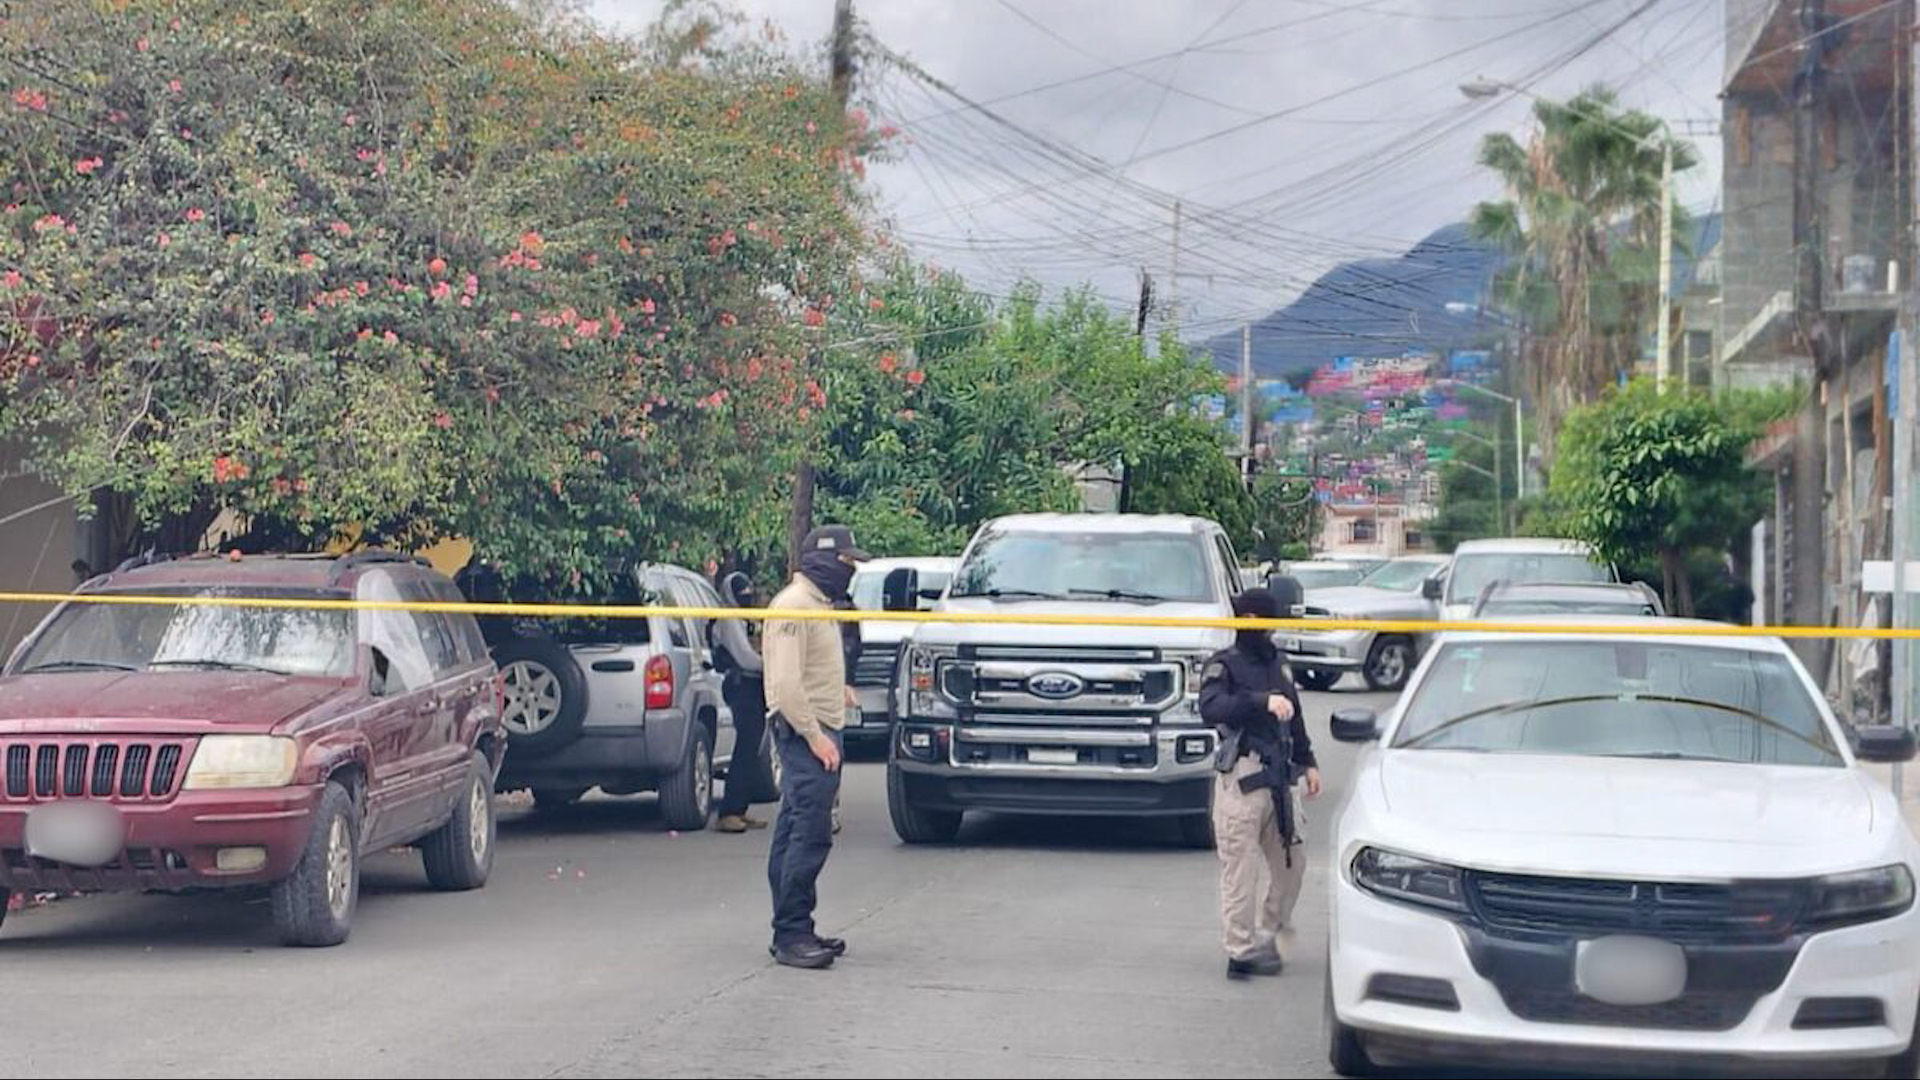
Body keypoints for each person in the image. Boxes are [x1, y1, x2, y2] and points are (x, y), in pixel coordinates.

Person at [1199, 587, 1322, 979]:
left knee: (1293, 865)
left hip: (1280, 779)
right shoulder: (1224, 664)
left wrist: (1308, 761)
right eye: (1270, 620)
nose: (1275, 628)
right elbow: (1211, 707)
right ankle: (1241, 951)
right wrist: (1259, 701)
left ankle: (1269, 930)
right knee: (1241, 871)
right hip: (1243, 778)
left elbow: (1296, 715)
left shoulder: (1279, 663)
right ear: (1251, 620)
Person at [762, 524, 869, 969]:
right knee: (809, 834)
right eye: (846, 564)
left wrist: (836, 689)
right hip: (808, 735)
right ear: (824, 561)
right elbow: (785, 685)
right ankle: (791, 933)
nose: (850, 573)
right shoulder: (793, 607)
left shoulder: (818, 605)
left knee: (794, 830)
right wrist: (815, 737)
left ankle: (795, 926)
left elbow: (808, 670)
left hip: (820, 727)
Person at [714, 572, 777, 833]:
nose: (747, 597)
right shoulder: (728, 619)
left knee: (752, 751)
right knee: (745, 749)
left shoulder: (741, 619)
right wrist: (774, 666)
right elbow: (745, 658)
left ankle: (739, 808)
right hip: (741, 685)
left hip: (752, 686)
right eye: (742, 593)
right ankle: (729, 811)